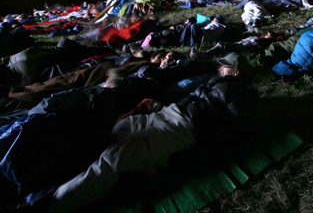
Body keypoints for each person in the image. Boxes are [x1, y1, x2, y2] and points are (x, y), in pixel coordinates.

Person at [50, 53, 259, 213]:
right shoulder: (220, 81)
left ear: (236, 71)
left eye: (225, 66)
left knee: (117, 156)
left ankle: (54, 203)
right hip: (171, 113)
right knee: (121, 128)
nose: (220, 67)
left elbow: (241, 122)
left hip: (183, 126)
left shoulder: (235, 90)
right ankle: (74, 166)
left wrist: (214, 138)